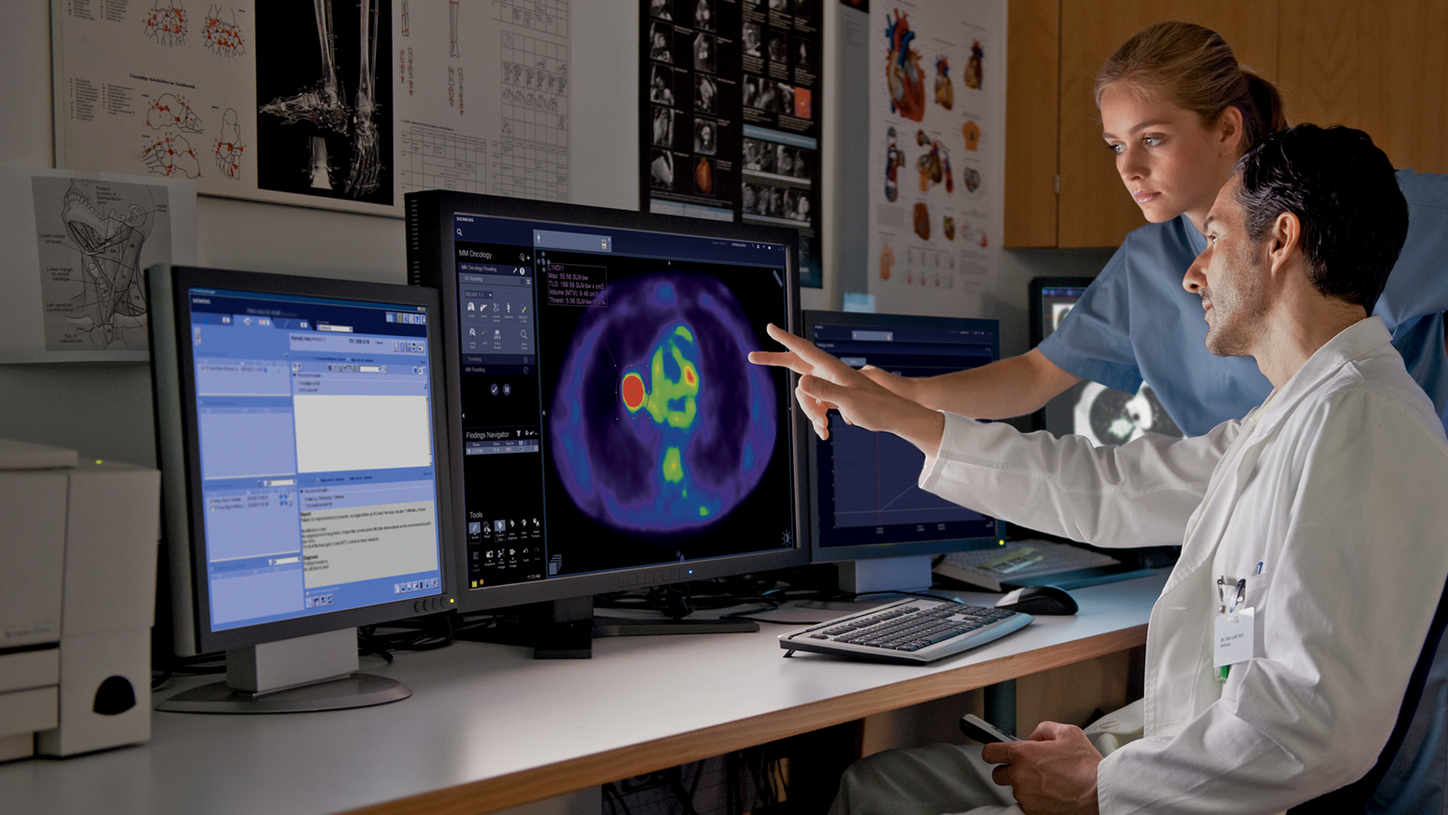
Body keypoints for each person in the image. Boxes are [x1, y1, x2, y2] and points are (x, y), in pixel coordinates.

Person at [752, 124, 1448, 814]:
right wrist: (902, 417)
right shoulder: (1297, 415)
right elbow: (1110, 487)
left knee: (881, 795)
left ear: (1280, 241)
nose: (1191, 272)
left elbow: (1307, 727)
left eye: (1213, 236)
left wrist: (1099, 783)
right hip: (1180, 763)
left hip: (1203, 794)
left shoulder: (1361, 421)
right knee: (875, 783)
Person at [860, 22, 1448, 437]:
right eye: (1116, 145)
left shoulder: (1357, 205)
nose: (1127, 167)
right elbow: (1038, 374)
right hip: (1248, 521)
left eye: (1153, 139)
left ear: (1225, 129)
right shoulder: (1150, 263)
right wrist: (904, 396)